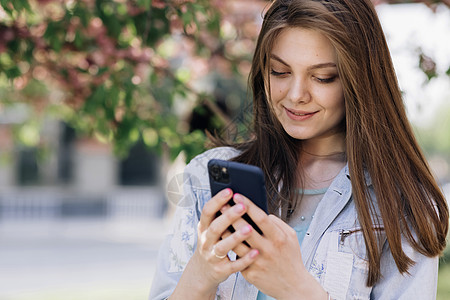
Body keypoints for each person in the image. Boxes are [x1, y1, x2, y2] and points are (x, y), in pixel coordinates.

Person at [149, 0, 449, 299]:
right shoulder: (207, 179)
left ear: (359, 79)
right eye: (280, 72)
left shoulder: (401, 205)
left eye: (322, 77)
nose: (295, 95)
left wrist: (298, 290)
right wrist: (202, 274)